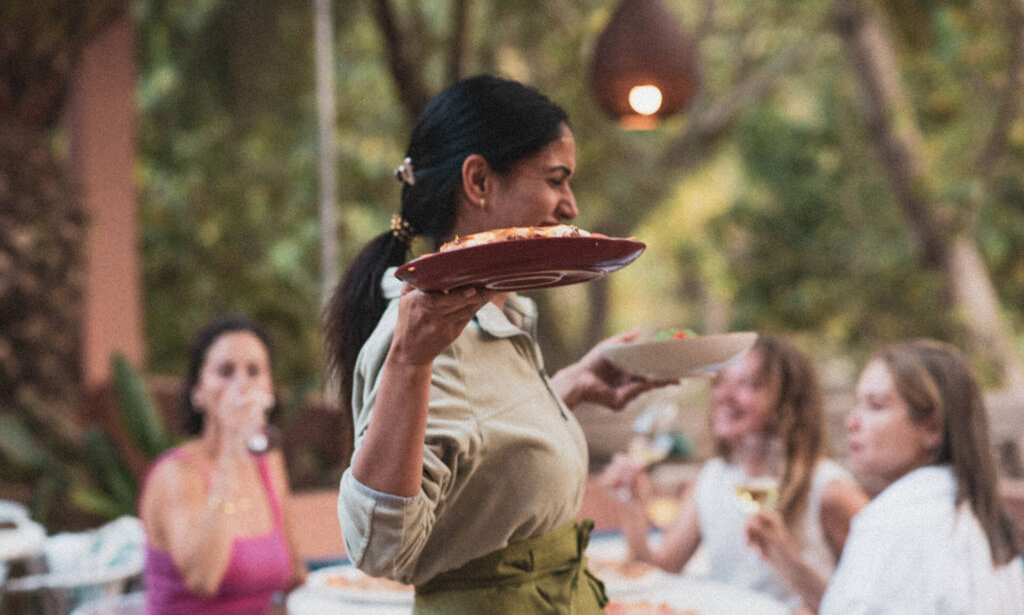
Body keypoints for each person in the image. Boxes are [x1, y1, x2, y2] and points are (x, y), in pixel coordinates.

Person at [323, 74, 667, 613]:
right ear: (479, 181)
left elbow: (478, 447)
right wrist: (409, 364)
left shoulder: (502, 317)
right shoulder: (424, 339)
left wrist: (567, 388)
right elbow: (380, 547)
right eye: (556, 180)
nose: (571, 206)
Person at [747, 338, 1024, 613]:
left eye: (875, 405)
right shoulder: (972, 515)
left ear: (932, 428)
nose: (852, 422)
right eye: (858, 403)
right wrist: (786, 560)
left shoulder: (896, 520)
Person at [600, 334, 868, 613]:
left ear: (787, 403)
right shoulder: (713, 477)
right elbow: (662, 569)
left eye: (748, 385)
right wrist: (633, 507)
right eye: (722, 382)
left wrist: (785, 557)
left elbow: (868, 601)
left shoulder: (829, 488)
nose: (723, 396)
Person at [138, 314, 306, 614]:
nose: (241, 383)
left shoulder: (269, 463)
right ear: (197, 393)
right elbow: (203, 578)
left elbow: (294, 575)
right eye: (226, 371)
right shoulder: (174, 473)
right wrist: (231, 449)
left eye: (254, 371)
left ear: (268, 389)